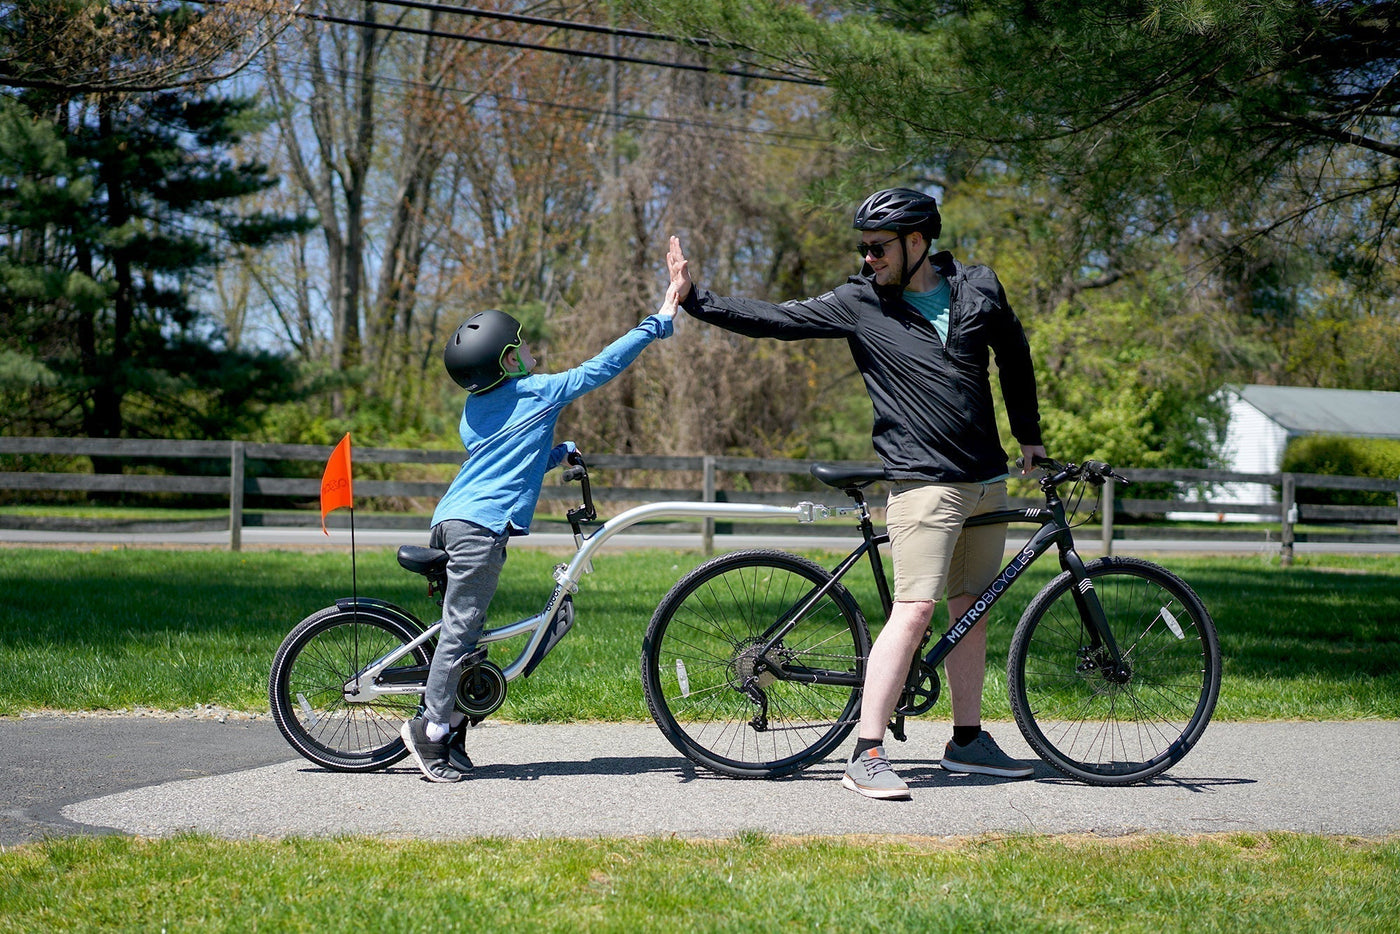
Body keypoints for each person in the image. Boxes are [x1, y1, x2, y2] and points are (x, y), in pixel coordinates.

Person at [666, 187, 1048, 800]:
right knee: (916, 610)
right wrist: (697, 300)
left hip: (985, 479)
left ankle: (968, 741)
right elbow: (779, 320)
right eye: (863, 249)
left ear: (918, 241)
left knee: (970, 608)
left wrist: (1029, 435)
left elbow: (1015, 356)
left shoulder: (979, 288)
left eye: (878, 248)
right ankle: (866, 752)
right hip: (922, 482)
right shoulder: (858, 303)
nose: (868, 259)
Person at [401, 281, 683, 782]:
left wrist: (557, 454)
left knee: (470, 633)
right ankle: (431, 730)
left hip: (449, 520)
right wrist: (658, 318)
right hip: (479, 531)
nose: (532, 351)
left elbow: (505, 462)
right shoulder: (538, 392)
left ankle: (457, 726)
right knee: (461, 631)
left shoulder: (476, 409)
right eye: (521, 346)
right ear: (507, 363)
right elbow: (601, 367)